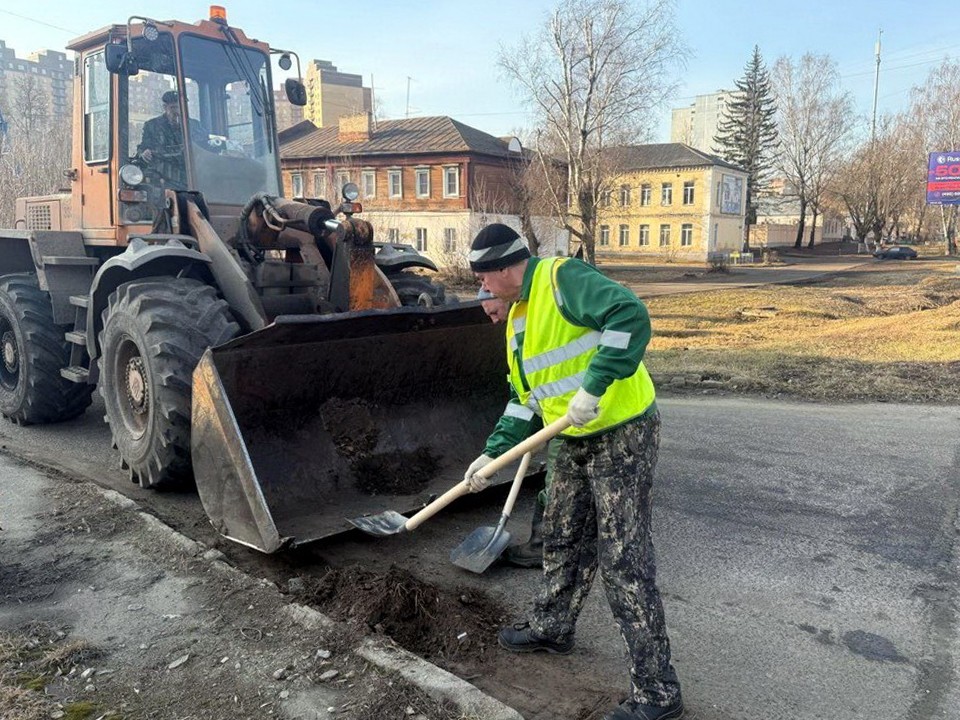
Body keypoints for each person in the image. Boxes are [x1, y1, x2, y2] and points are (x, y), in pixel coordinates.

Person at [463, 224, 683, 720]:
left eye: (481, 278)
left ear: (502, 267)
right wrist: (489, 454)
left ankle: (657, 692)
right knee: (561, 537)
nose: (481, 289)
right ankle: (551, 627)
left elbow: (629, 314)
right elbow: (526, 401)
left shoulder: (562, 278)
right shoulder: (517, 318)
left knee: (624, 560)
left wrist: (596, 386)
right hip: (569, 436)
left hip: (621, 430)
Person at [477, 286, 546, 568]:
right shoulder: (514, 331)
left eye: (493, 312)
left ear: (504, 297)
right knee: (559, 485)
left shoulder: (540, 316)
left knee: (562, 486)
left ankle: (548, 548)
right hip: (558, 415)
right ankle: (545, 546)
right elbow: (523, 397)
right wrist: (490, 455)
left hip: (592, 416)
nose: (493, 320)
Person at [136, 90, 212, 188]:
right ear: (165, 108)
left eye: (180, 107)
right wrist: (144, 153)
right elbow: (143, 147)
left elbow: (205, 145)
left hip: (190, 176)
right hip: (162, 176)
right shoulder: (152, 126)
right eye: (173, 108)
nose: (177, 112)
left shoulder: (195, 125)